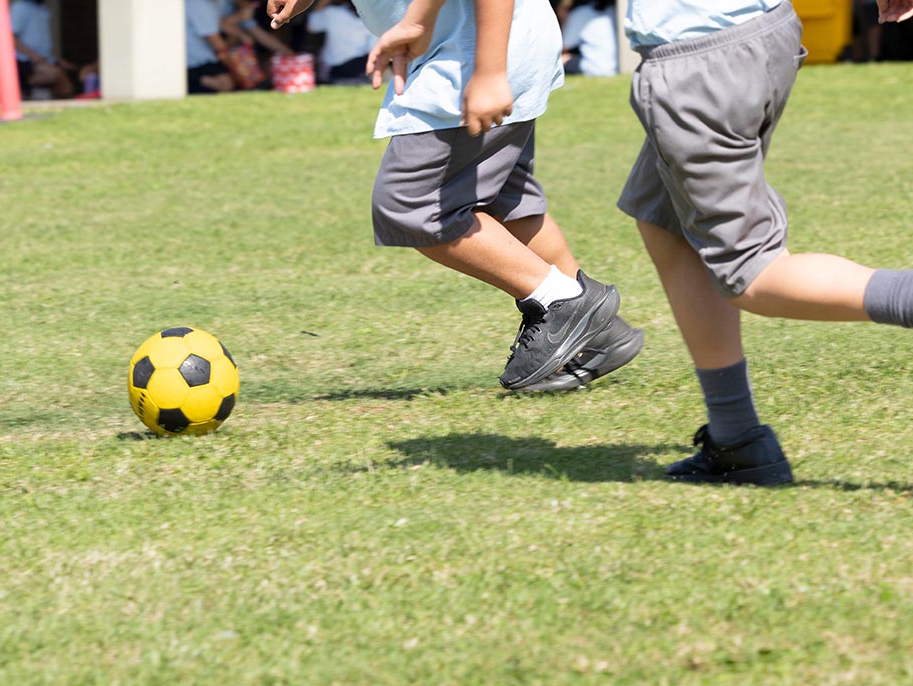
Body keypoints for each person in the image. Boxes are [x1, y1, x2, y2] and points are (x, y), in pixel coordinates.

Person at [594, 0, 913, 485]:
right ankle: (736, 437)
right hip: (762, 32)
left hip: (696, 61)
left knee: (750, 271)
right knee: (664, 219)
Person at [266, 0, 645, 394]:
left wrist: (489, 71)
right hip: (480, 48)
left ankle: (563, 302)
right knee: (503, 200)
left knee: (411, 204)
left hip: (476, 55)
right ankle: (597, 335)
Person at [307, 0, 376, 84]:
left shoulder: (333, 13)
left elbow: (311, 25)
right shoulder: (372, 19)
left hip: (337, 69)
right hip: (360, 68)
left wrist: (323, 2)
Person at [189, 0, 239, 93]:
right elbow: (214, 40)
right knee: (226, 84)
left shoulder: (211, 4)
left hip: (205, 58)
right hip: (194, 62)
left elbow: (219, 23)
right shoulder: (198, 4)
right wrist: (236, 64)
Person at [559, 0, 618, 75]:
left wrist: (563, 16)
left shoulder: (580, 13)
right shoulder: (613, 10)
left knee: (560, 59)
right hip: (615, 66)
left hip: (594, 66)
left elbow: (563, 48)